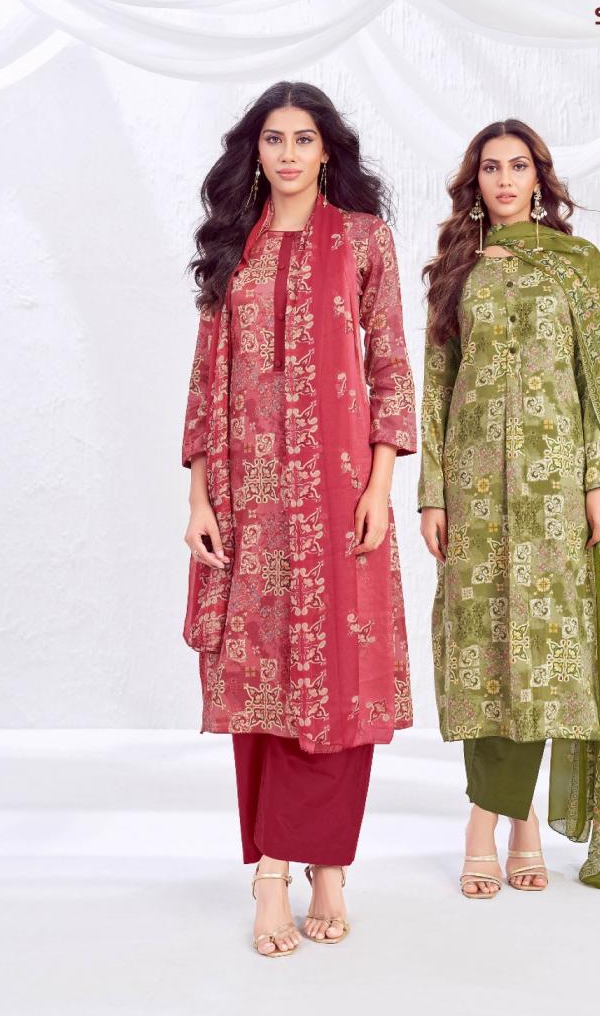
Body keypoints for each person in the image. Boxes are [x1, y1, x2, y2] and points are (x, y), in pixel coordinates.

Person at [181, 82, 417, 956]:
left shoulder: (363, 239)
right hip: (248, 501)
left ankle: (329, 869)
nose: (288, 153)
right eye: (274, 139)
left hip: (339, 495)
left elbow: (390, 366)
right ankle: (274, 871)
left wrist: (379, 487)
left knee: (340, 682)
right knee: (260, 680)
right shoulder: (232, 248)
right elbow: (206, 380)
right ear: (256, 152)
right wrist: (199, 498)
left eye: (304, 138)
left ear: (327, 151)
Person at [418, 120, 600, 895]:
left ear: (540, 177)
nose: (505, 179)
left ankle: (486, 823)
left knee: (539, 651)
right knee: (481, 650)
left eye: (519, 166)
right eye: (491, 168)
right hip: (472, 488)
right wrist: (431, 492)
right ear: (474, 182)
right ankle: (519, 821)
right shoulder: (456, 268)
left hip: (552, 490)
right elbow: (436, 384)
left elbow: (598, 385)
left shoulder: (576, 265)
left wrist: (599, 480)